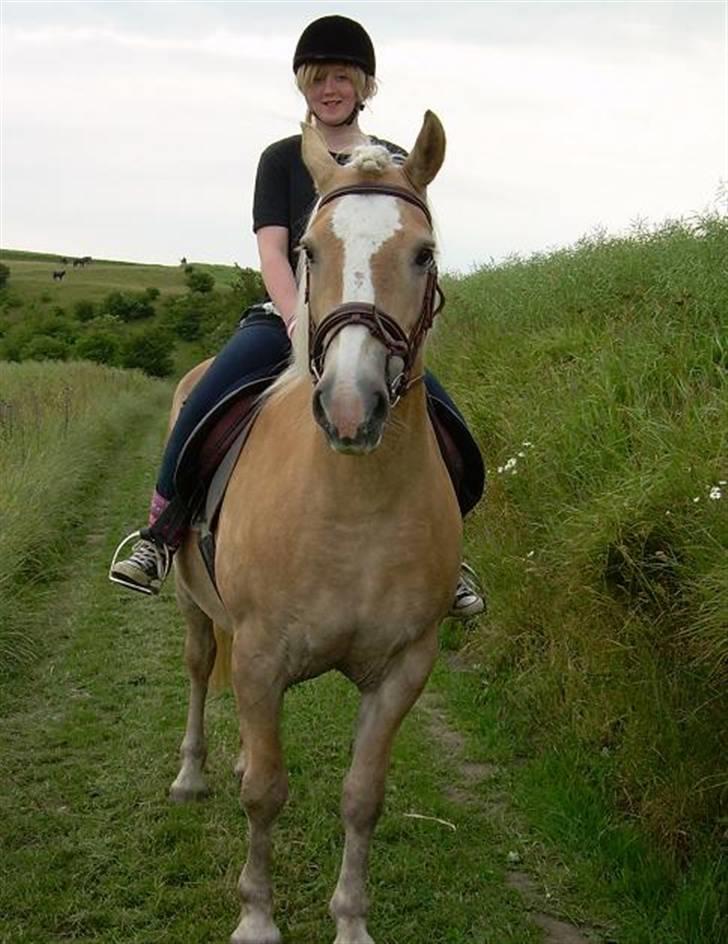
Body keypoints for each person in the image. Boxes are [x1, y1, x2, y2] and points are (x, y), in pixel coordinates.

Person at [109, 14, 485, 618]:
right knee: (207, 399)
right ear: (303, 87)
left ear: (364, 85)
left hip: (373, 326)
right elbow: (272, 252)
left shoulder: (397, 160)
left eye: (342, 77)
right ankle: (161, 532)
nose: (329, 89)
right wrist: (294, 319)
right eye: (317, 79)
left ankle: (447, 556)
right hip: (286, 316)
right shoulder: (282, 159)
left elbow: (406, 248)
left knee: (450, 430)